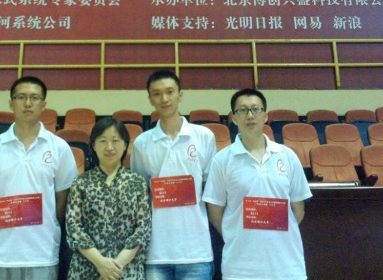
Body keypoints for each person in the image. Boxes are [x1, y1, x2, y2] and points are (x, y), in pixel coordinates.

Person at [0, 76, 78, 280]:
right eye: (21, 97)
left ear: (43, 104)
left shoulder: (59, 148)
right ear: (11, 103)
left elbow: (62, 204)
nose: (28, 103)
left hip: (41, 254)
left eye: (34, 98)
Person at [203, 88, 313, 280]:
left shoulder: (287, 156)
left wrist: (273, 232)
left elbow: (298, 210)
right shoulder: (221, 160)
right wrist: (238, 235)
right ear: (234, 118)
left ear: (265, 116)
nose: (250, 115)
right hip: (240, 269)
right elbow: (215, 214)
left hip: (287, 267)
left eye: (255, 109)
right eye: (242, 110)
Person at [130, 70, 216, 280]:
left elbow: (210, 190)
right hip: (156, 253)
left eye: (170, 92)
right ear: (150, 99)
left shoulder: (204, 136)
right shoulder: (142, 143)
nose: (164, 99)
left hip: (196, 251)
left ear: (180, 95)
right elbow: (141, 195)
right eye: (157, 94)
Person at [66, 117, 151, 280]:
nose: (109, 147)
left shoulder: (137, 182)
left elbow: (143, 229)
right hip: (86, 269)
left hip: (126, 271)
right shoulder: (81, 182)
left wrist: (114, 268)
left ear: (125, 144)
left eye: (116, 141)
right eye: (103, 141)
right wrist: (101, 263)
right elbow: (73, 227)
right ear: (93, 145)